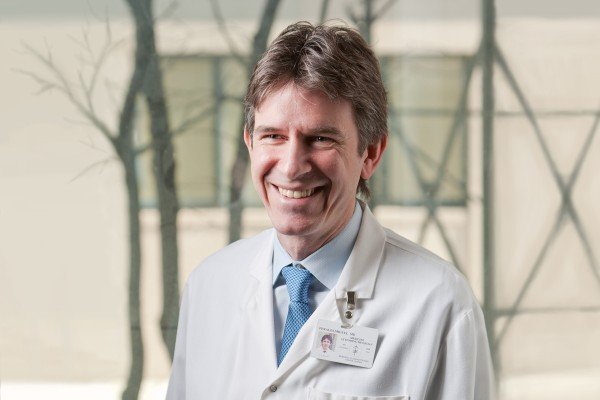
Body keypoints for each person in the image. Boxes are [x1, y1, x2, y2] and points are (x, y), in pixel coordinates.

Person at [166, 21, 494, 399]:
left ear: (371, 153)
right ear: (249, 143)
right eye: (273, 136)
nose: (291, 166)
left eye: (321, 138)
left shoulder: (439, 303)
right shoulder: (208, 287)